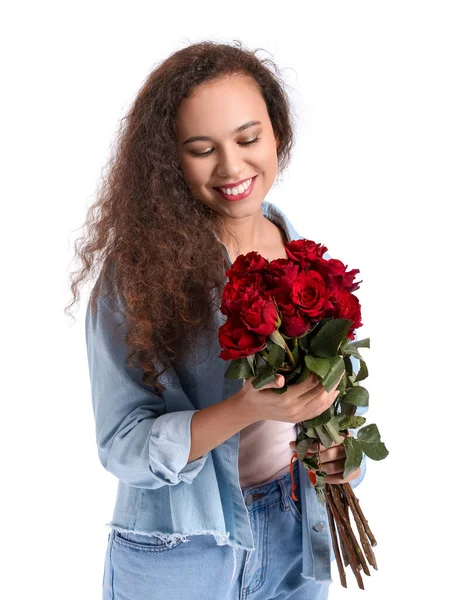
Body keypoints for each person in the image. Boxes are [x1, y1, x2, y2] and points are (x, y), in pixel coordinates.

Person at [68, 40, 367, 600]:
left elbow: (346, 401)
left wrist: (341, 458)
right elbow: (121, 444)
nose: (232, 167)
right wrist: (242, 409)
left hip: (299, 532)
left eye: (249, 138)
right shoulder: (139, 274)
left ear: (278, 132)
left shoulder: (308, 261)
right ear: (169, 159)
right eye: (202, 148)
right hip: (183, 549)